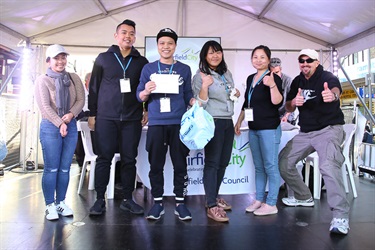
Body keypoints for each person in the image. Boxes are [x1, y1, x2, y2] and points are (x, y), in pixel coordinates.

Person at [279, 49, 350, 235]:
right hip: (306, 132)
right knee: (284, 162)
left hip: (328, 129)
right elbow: (287, 105)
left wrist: (332, 96)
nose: (304, 63)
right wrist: (294, 102)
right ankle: (304, 196)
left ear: (317, 62)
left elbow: (335, 90)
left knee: (328, 165)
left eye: (308, 60)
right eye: (301, 60)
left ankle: (340, 216)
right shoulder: (297, 81)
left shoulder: (327, 77)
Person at [88, 19, 148, 216]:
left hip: (132, 118)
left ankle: (128, 199)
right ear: (116, 36)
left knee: (130, 159)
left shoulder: (141, 62)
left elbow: (146, 89)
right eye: (124, 33)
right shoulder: (103, 58)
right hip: (106, 117)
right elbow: (94, 87)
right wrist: (92, 113)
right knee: (104, 158)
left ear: (135, 37)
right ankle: (99, 200)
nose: (128, 36)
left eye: (131, 33)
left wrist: (145, 110)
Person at [137, 28, 195, 221]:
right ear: (158, 46)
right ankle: (158, 203)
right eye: (162, 43)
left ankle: (180, 203)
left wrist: (196, 102)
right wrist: (145, 91)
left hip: (179, 123)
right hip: (156, 124)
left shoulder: (184, 69)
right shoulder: (148, 69)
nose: (166, 47)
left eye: (170, 43)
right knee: (156, 165)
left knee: (180, 165)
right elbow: (140, 96)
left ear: (175, 46)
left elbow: (187, 95)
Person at [34, 44, 85, 220]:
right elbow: (44, 106)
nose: (61, 61)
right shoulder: (42, 80)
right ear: (49, 61)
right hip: (50, 126)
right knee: (51, 168)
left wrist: (70, 116)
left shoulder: (74, 78)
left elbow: (80, 100)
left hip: (70, 124)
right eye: (56, 58)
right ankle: (49, 205)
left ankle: (61, 202)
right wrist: (59, 123)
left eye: (63, 57)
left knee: (64, 168)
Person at [192, 40, 240, 222]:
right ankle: (211, 205)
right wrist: (205, 86)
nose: (215, 55)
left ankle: (213, 196)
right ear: (204, 56)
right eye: (211, 53)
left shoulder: (226, 73)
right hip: (212, 121)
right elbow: (199, 102)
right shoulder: (200, 75)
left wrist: (236, 94)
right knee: (212, 163)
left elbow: (230, 94)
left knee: (223, 162)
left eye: (218, 52)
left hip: (227, 120)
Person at [234, 45, 283, 216]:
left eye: (262, 57)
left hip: (269, 128)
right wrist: (239, 121)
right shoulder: (250, 78)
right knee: (259, 167)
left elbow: (277, 102)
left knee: (271, 165)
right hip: (254, 128)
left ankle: (271, 203)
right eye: (255, 57)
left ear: (268, 60)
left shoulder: (273, 77)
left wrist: (271, 86)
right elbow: (247, 103)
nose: (258, 60)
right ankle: (259, 199)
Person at [269, 57, 296, 124]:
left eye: (277, 72)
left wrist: (286, 116)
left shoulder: (288, 81)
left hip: (286, 114)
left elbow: (292, 101)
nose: (275, 76)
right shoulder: (267, 80)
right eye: (273, 73)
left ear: (281, 69)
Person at [74, 72, 91, 167]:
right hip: (81, 114)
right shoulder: (80, 90)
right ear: (86, 81)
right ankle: (81, 160)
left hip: (92, 115)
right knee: (80, 139)